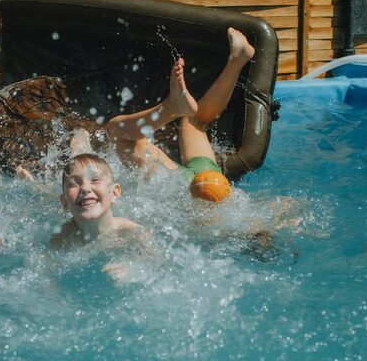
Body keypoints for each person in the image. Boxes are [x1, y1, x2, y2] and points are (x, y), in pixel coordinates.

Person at [102, 27, 255, 193]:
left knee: (116, 131)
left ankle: (172, 107)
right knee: (193, 119)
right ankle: (236, 60)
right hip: (209, 185)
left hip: (193, 187)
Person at [49, 153, 142, 249]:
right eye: (74, 184)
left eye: (95, 180)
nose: (85, 188)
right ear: (64, 202)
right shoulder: (62, 240)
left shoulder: (132, 232)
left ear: (114, 193)